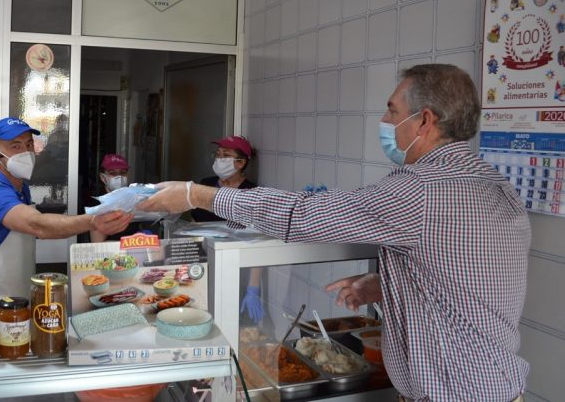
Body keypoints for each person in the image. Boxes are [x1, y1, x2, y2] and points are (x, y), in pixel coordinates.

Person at [139, 65, 530, 401]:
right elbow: (465, 272)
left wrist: (197, 194)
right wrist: (385, 283)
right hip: (498, 385)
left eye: (393, 111)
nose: (387, 122)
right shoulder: (493, 184)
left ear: (425, 120)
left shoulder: (421, 189)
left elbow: (301, 215)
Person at [0, 117, 133, 320]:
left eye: (28, 144)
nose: (25, 152)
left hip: (18, 304)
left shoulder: (20, 190)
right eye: (15, 146)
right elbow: (37, 225)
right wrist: (92, 220)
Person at [190, 135, 264, 324]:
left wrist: (253, 288)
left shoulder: (251, 192)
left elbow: (257, 241)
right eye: (218, 155)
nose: (219, 160)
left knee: (229, 322)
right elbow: (194, 225)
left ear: (240, 163)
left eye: (225, 156)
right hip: (203, 264)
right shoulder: (205, 185)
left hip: (234, 267)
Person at [89, 153, 142, 243]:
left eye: (123, 172)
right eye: (113, 173)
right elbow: (97, 245)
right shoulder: (98, 206)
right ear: (103, 177)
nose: (119, 177)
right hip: (112, 256)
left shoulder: (133, 199)